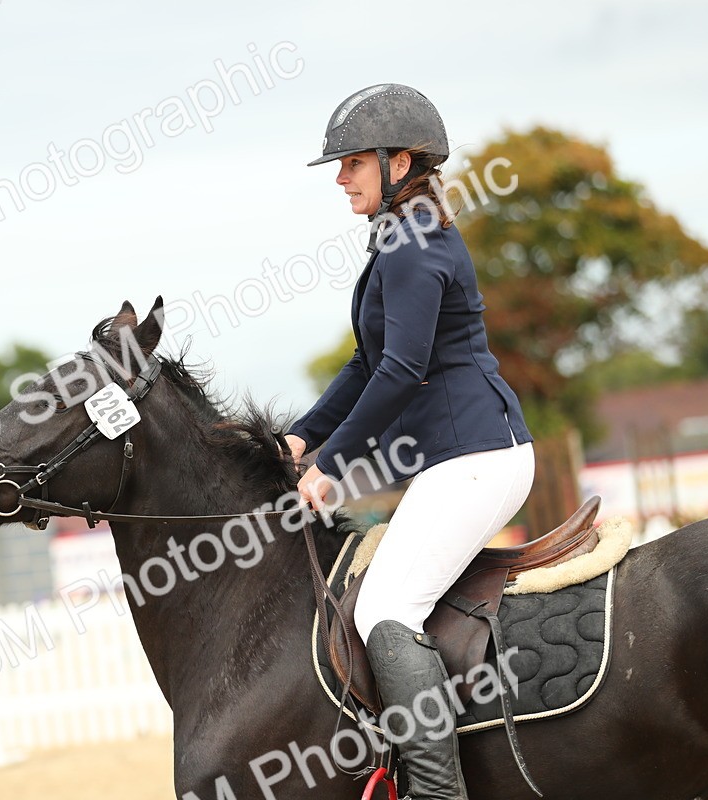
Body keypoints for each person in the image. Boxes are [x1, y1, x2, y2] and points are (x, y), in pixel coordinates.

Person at [284, 84, 535, 800]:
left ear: (400, 163)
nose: (340, 178)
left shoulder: (414, 240)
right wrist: (303, 437)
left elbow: (403, 369)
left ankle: (434, 791)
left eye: (353, 163)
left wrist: (332, 468)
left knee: (382, 609)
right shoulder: (401, 235)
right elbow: (368, 362)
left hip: (479, 460)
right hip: (462, 460)